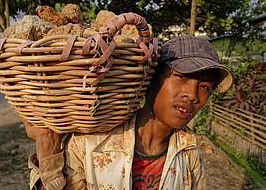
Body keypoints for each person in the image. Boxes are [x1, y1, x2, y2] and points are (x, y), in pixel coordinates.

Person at [23, 35, 234, 190]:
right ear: (152, 79)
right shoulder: (91, 142)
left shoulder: (188, 152)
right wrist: (47, 152)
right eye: (181, 76)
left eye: (205, 87)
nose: (192, 95)